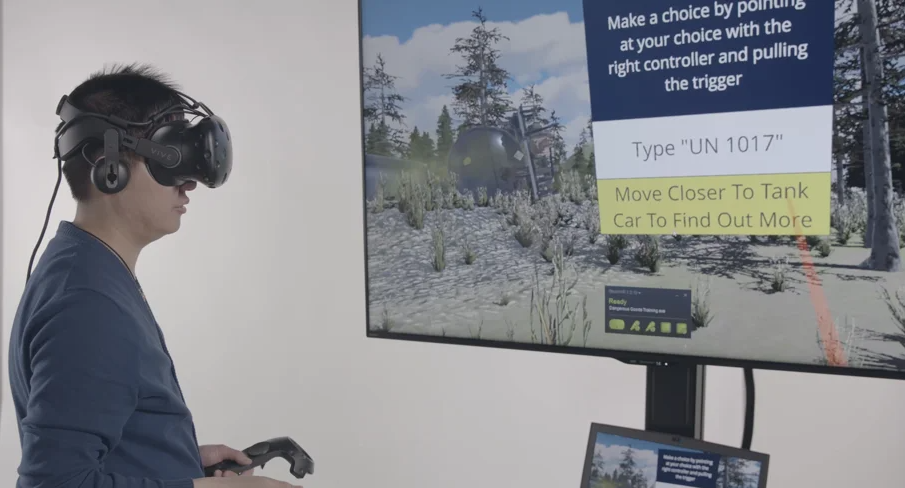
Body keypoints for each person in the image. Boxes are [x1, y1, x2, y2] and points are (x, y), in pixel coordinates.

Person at [7, 64, 301, 488]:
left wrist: (179, 460)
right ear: (109, 165)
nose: (189, 184)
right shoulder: (87, 305)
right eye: (172, 157)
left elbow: (94, 446)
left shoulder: (83, 266)